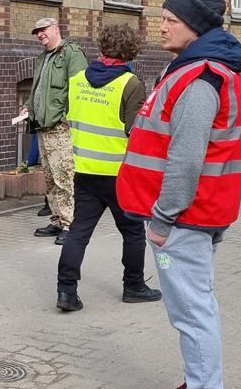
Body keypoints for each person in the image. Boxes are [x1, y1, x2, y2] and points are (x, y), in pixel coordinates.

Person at [117, 0, 241, 389]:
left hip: (182, 220)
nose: (162, 26)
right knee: (195, 304)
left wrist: (162, 219)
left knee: (191, 310)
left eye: (171, 20)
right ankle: (198, 382)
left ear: (195, 27)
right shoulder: (198, 70)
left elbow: (187, 158)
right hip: (196, 213)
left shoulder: (198, 78)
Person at [55, 24, 161, 312]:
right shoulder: (131, 84)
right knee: (133, 232)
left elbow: (69, 117)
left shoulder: (77, 80)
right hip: (119, 174)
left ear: (101, 47)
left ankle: (66, 291)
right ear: (130, 52)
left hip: (85, 169)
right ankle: (134, 285)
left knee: (79, 231)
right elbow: (135, 131)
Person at [20, 17, 88, 245]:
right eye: (37, 31)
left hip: (61, 127)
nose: (40, 34)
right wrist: (28, 107)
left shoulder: (72, 53)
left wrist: (68, 119)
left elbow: (80, 89)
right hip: (43, 126)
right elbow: (36, 89)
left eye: (43, 30)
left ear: (56, 29)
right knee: (49, 177)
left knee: (64, 177)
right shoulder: (43, 57)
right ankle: (58, 220)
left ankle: (70, 224)